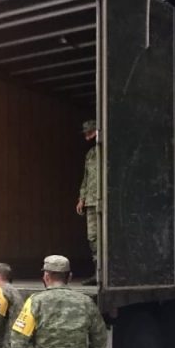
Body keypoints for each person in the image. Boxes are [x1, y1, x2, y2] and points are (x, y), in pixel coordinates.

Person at [76, 119, 99, 286]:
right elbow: (86, 178)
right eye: (86, 134)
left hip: (106, 201)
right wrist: (81, 198)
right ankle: (98, 273)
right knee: (93, 237)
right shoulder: (90, 154)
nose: (87, 137)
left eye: (90, 133)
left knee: (108, 238)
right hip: (91, 202)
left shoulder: (108, 150)